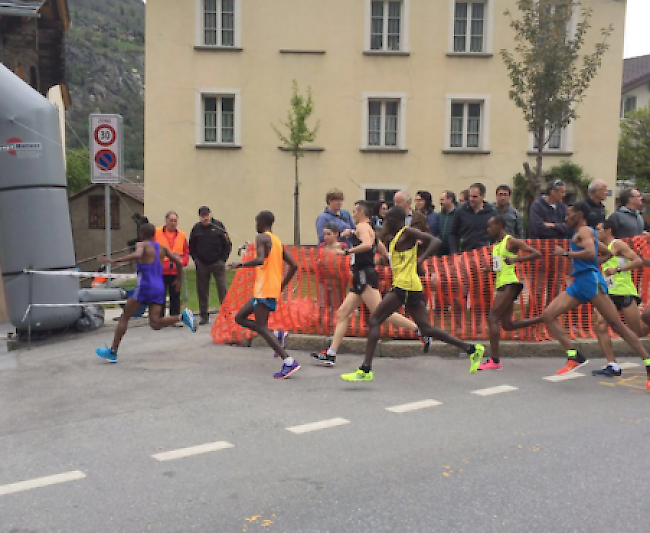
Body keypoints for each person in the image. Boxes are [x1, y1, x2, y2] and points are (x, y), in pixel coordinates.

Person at [510, 202, 650, 385]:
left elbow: (591, 251)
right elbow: (606, 253)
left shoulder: (584, 231)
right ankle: (574, 355)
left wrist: (566, 254)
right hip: (580, 282)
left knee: (618, 326)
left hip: (590, 282)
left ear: (579, 214)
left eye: (568, 215)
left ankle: (648, 364)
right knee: (548, 315)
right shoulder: (587, 233)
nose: (565, 218)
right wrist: (591, 263)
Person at [340, 206, 485, 382]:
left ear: (396, 220)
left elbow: (435, 242)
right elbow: (395, 261)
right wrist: (377, 262)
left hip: (405, 286)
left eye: (388, 219)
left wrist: (420, 260)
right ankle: (471, 349)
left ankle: (366, 369)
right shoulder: (394, 239)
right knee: (426, 328)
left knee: (375, 319)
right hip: (409, 286)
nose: (385, 222)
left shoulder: (407, 232)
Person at [311, 201, 431, 367]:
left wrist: (346, 251)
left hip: (364, 275)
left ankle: (420, 330)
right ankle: (331, 353)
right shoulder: (367, 229)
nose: (351, 214)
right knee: (342, 312)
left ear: (361, 212)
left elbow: (367, 245)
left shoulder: (362, 227)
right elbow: (377, 245)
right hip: (361, 274)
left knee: (380, 312)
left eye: (354, 211)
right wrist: (389, 259)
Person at [95, 224, 197, 362]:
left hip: (145, 286)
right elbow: (179, 263)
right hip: (159, 286)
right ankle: (181, 317)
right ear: (154, 234)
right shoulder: (162, 248)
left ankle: (113, 352)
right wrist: (178, 280)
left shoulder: (141, 245)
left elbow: (137, 255)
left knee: (124, 317)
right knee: (155, 323)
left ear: (141, 234)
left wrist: (113, 261)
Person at [228, 211, 300, 379]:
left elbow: (260, 260)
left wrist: (239, 264)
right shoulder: (276, 240)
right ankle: (276, 334)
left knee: (261, 326)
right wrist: (280, 286)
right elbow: (294, 265)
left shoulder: (261, 237)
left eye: (256, 221)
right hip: (267, 289)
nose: (255, 225)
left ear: (261, 222)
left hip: (264, 289)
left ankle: (289, 361)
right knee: (240, 317)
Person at [479, 215, 541, 370]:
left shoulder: (511, 241)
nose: (488, 230)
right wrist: (489, 269)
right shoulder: (496, 245)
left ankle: (494, 360)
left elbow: (536, 253)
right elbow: (499, 266)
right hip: (501, 284)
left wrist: (516, 260)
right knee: (507, 325)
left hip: (510, 283)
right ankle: (543, 319)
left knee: (492, 318)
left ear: (499, 225)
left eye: (490, 226)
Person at [592, 218, 645, 377]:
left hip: (624, 292)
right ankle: (612, 364)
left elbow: (638, 261)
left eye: (599, 229)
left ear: (608, 230)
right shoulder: (600, 248)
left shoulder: (618, 244)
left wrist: (618, 269)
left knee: (637, 331)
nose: (596, 233)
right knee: (600, 326)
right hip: (608, 293)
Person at [189, 206, 232, 325]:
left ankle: (226, 314)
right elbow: (191, 246)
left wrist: (223, 259)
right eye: (203, 216)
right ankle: (203, 315)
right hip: (202, 264)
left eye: (207, 215)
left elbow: (227, 243)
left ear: (210, 215)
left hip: (217, 263)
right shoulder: (196, 228)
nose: (205, 218)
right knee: (202, 291)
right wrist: (196, 259)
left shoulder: (218, 226)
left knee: (222, 289)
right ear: (199, 217)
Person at [154, 211, 189, 317]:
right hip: (160, 269)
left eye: (175, 221)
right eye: (171, 220)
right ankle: (159, 318)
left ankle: (174, 317)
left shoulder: (182, 235)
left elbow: (186, 251)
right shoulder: (156, 232)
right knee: (160, 295)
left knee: (175, 295)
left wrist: (183, 263)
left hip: (175, 270)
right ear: (166, 221)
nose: (173, 223)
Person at [449, 183, 496, 254]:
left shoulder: (492, 213)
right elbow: (453, 234)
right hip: (465, 253)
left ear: (483, 196)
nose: (471, 199)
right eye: (470, 196)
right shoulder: (460, 212)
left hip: (485, 254)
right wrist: (454, 252)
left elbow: (495, 236)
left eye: (474, 197)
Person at [437, 191, 456, 256]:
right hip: (441, 249)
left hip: (453, 249)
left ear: (450, 199)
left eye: (442, 200)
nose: (440, 202)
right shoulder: (440, 215)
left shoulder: (458, 214)